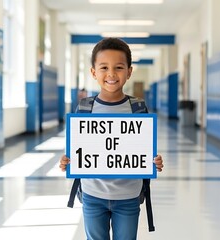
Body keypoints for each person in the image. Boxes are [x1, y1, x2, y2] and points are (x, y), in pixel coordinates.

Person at [59, 37, 164, 240]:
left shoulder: (138, 109)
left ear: (129, 72)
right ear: (93, 72)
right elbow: (78, 149)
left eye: (118, 67)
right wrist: (67, 160)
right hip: (92, 193)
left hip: (128, 196)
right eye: (104, 67)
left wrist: (154, 161)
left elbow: (143, 149)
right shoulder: (84, 108)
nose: (111, 74)